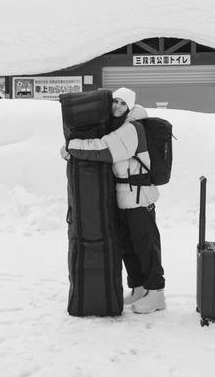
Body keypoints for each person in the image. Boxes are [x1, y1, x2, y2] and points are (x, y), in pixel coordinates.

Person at [60, 87, 166, 314]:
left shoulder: (132, 128)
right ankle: (139, 288)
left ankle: (156, 293)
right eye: (115, 101)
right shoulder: (116, 127)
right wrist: (70, 150)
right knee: (128, 246)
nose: (117, 106)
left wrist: (71, 145)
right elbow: (95, 142)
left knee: (146, 246)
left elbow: (103, 150)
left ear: (130, 107)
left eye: (123, 103)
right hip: (124, 197)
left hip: (139, 197)